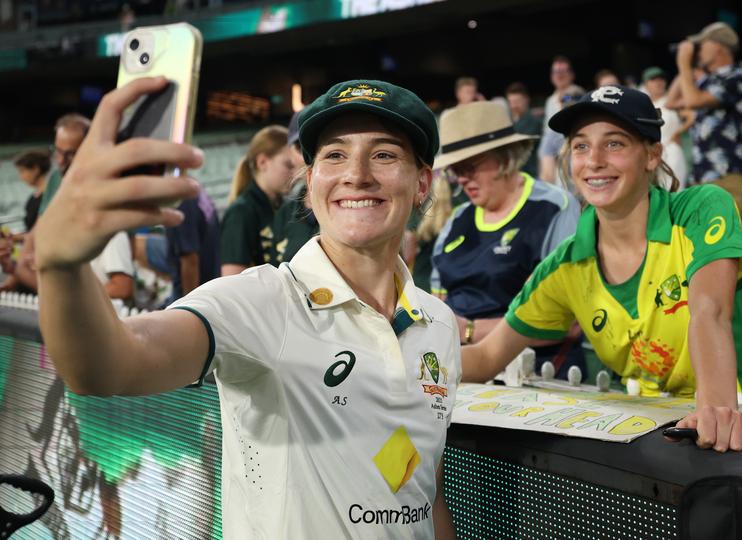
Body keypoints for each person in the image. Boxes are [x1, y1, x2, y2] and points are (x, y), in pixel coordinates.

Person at [34, 76, 459, 538]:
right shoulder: (262, 301)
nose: (356, 173)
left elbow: (425, 493)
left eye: (384, 154)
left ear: (422, 183)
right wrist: (61, 265)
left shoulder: (438, 324)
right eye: (334, 154)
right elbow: (109, 366)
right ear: (310, 182)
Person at [461, 85, 742, 453]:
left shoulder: (700, 209)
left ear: (652, 155)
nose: (593, 160)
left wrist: (717, 410)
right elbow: (484, 358)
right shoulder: (565, 265)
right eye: (580, 146)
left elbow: (710, 313)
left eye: (614, 143)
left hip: (737, 441)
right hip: (655, 448)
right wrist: (399, 365)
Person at [431, 101, 584, 379]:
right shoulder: (457, 219)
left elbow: (569, 321)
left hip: (534, 374)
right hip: (457, 370)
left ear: (505, 156)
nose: (462, 179)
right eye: (455, 169)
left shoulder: (553, 208)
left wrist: (468, 329)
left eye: (470, 166)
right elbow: (435, 306)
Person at [668, 22, 742, 225]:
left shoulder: (739, 76)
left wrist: (683, 62)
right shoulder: (707, 82)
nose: (698, 50)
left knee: (727, 249)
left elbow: (692, 101)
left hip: (727, 173)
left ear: (717, 47)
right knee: (701, 247)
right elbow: (672, 102)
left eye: (702, 45)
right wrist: (687, 68)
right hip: (701, 174)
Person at [6, 113, 90, 292]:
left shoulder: (99, 183)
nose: (61, 160)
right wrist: (16, 274)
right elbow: (39, 227)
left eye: (70, 154)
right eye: (58, 151)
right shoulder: (56, 179)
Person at [220, 125, 294, 275]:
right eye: (288, 165)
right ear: (262, 162)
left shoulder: (282, 206)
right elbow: (232, 278)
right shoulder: (241, 211)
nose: (295, 173)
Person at [0, 149, 51, 292]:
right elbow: (31, 231)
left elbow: (40, 232)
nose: (21, 177)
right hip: (30, 257)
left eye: (23, 171)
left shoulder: (49, 197)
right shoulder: (32, 199)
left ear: (35, 169)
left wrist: (16, 237)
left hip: (42, 260)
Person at [273, 111, 320, 264]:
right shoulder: (284, 213)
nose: (310, 157)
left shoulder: (353, 210)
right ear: (290, 152)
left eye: (317, 146)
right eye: (301, 148)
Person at [165, 186, 221, 303]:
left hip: (199, 293)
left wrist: (189, 305)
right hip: (210, 287)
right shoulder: (193, 188)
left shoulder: (179, 200)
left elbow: (190, 259)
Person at [642, 67, 688, 190]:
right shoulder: (645, 105)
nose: (658, 82)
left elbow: (692, 116)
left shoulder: (672, 101)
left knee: (675, 189)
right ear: (646, 84)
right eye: (653, 79)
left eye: (661, 79)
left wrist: (678, 133)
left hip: (671, 150)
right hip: (652, 154)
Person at [538, 85, 585, 185]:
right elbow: (547, 176)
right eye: (568, 109)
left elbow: (547, 177)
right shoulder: (552, 135)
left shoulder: (595, 130)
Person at [505, 82, 543, 178]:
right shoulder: (511, 123)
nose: (514, 106)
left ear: (526, 100)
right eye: (511, 102)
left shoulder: (534, 121)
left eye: (517, 101)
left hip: (532, 173)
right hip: (517, 174)